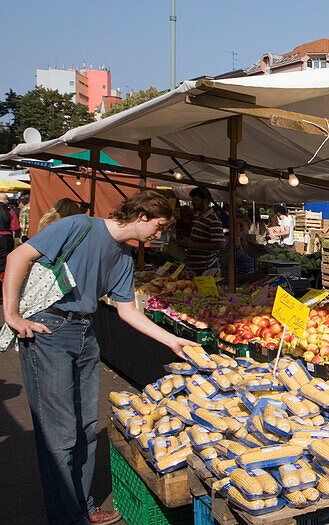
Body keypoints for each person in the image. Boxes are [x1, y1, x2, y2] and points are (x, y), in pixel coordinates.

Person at [2, 190, 192, 525]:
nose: (159, 235)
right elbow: (18, 257)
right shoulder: (79, 225)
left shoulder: (122, 256)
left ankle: (83, 505)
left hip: (85, 333)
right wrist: (12, 315)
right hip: (49, 329)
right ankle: (67, 516)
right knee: (59, 433)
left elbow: (127, 312)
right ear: (142, 216)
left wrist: (172, 340)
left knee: (87, 427)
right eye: (158, 226)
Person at [178, 186, 226, 275]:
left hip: (206, 268)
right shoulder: (197, 215)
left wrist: (193, 244)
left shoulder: (213, 219)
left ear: (205, 201)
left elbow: (221, 245)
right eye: (192, 200)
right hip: (193, 267)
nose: (193, 203)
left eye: (196, 200)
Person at [0, 193, 21, 277]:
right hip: (6, 239)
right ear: (6, 201)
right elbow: (15, 227)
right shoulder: (10, 211)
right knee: (4, 263)